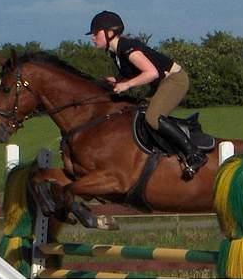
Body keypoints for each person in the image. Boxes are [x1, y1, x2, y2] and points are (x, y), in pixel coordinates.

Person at [86, 10, 207, 177]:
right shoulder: (116, 53)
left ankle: (194, 153)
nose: (93, 37)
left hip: (175, 80)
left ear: (110, 33)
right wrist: (112, 80)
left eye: (95, 33)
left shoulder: (127, 47)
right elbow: (129, 74)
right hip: (161, 83)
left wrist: (126, 85)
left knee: (152, 117)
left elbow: (151, 73)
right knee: (138, 112)